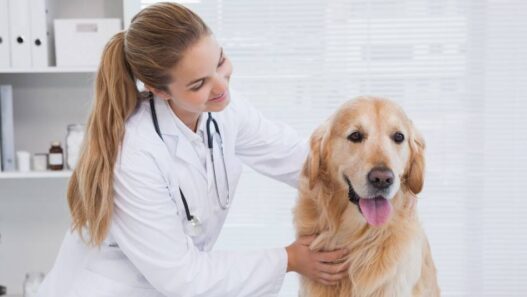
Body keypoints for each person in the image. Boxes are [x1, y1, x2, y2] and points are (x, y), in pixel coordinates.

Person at [37, 2, 350, 296]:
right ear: (158, 89)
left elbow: (297, 159)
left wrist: (379, 180)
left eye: (220, 62)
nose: (221, 86)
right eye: (198, 83)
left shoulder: (224, 109)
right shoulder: (135, 155)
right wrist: (288, 259)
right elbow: (182, 275)